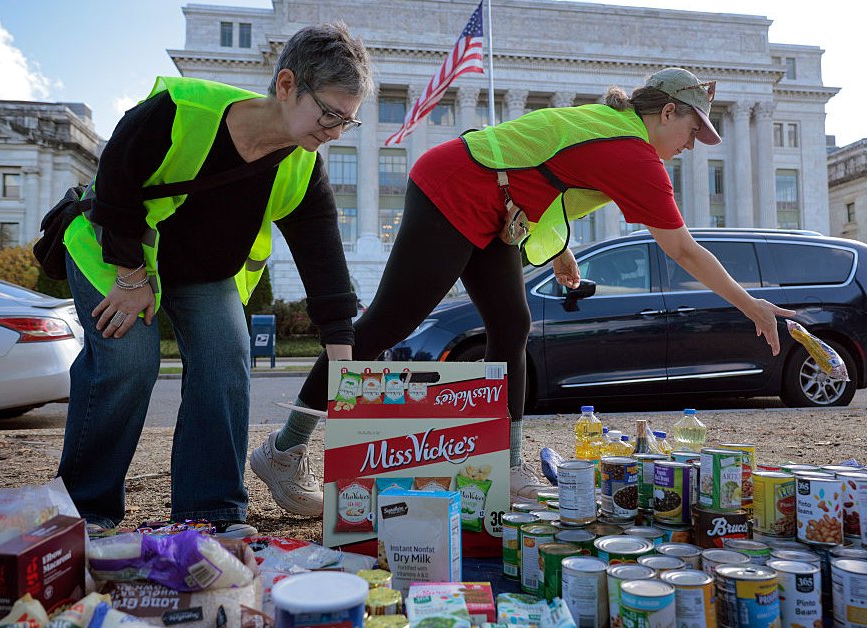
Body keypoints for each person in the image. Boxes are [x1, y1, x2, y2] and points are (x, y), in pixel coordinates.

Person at [251, 67, 796, 514]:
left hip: (493, 204)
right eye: (692, 132)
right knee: (387, 325)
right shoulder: (632, 151)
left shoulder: (612, 127)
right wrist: (752, 305)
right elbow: (683, 250)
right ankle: (285, 448)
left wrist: (557, 248)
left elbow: (542, 163)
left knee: (512, 325)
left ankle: (503, 466)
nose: (693, 146)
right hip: (454, 185)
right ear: (667, 113)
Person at [57, 23, 371, 537]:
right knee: (128, 359)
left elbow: (324, 263)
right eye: (330, 114)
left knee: (227, 360)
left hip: (202, 273)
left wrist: (342, 362)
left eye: (348, 121)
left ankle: (212, 512)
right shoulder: (180, 112)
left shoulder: (301, 166)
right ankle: (84, 511)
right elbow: (114, 183)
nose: (336, 131)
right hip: (117, 253)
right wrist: (132, 276)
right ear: (288, 84)